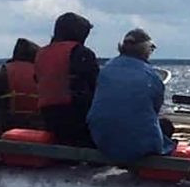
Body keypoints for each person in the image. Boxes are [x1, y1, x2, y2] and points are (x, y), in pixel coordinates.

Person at [87, 29, 176, 163]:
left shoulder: (106, 69)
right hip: (139, 144)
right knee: (165, 126)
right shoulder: (151, 76)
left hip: (101, 138)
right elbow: (155, 109)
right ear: (145, 50)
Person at [35, 12, 99, 146]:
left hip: (48, 116)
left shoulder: (41, 53)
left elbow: (37, 79)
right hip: (77, 116)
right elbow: (96, 84)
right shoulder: (82, 53)